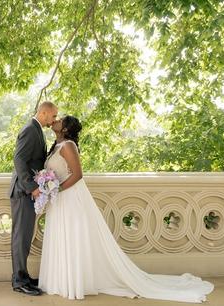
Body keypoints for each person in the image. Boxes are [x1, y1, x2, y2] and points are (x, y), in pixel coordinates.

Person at [38, 115, 214, 303]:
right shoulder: (56, 147)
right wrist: (49, 188)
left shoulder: (68, 146)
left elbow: (78, 174)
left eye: (60, 120)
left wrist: (56, 189)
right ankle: (61, 280)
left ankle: (73, 282)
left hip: (70, 198)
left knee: (72, 237)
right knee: (62, 237)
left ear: (65, 129)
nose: (55, 121)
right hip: (60, 200)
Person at [8, 101, 58, 296]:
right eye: (53, 116)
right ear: (44, 113)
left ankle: (24, 276)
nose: (54, 120)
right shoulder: (30, 130)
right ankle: (19, 281)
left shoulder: (36, 129)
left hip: (27, 192)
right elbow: (19, 159)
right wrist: (32, 187)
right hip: (22, 192)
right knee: (21, 238)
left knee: (25, 237)